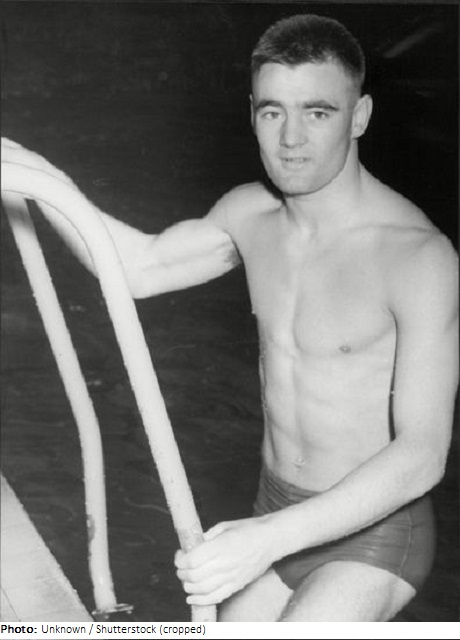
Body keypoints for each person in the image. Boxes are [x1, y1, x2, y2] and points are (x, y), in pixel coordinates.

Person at [3, 13, 458, 622]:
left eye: (317, 112)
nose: (290, 138)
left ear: (359, 116)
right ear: (252, 114)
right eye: (273, 112)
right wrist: (35, 172)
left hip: (372, 533)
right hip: (272, 508)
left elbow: (423, 454)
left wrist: (267, 540)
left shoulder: (418, 257)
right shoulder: (249, 215)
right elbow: (137, 268)